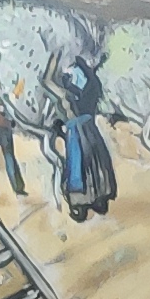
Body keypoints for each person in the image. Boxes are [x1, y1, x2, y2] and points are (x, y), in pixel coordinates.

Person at [53, 54, 118, 221]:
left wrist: (59, 57)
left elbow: (50, 82)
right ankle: (96, 199)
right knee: (93, 165)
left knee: (81, 166)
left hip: (78, 134)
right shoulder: (88, 92)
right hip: (87, 132)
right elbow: (90, 83)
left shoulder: (75, 95)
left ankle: (85, 202)